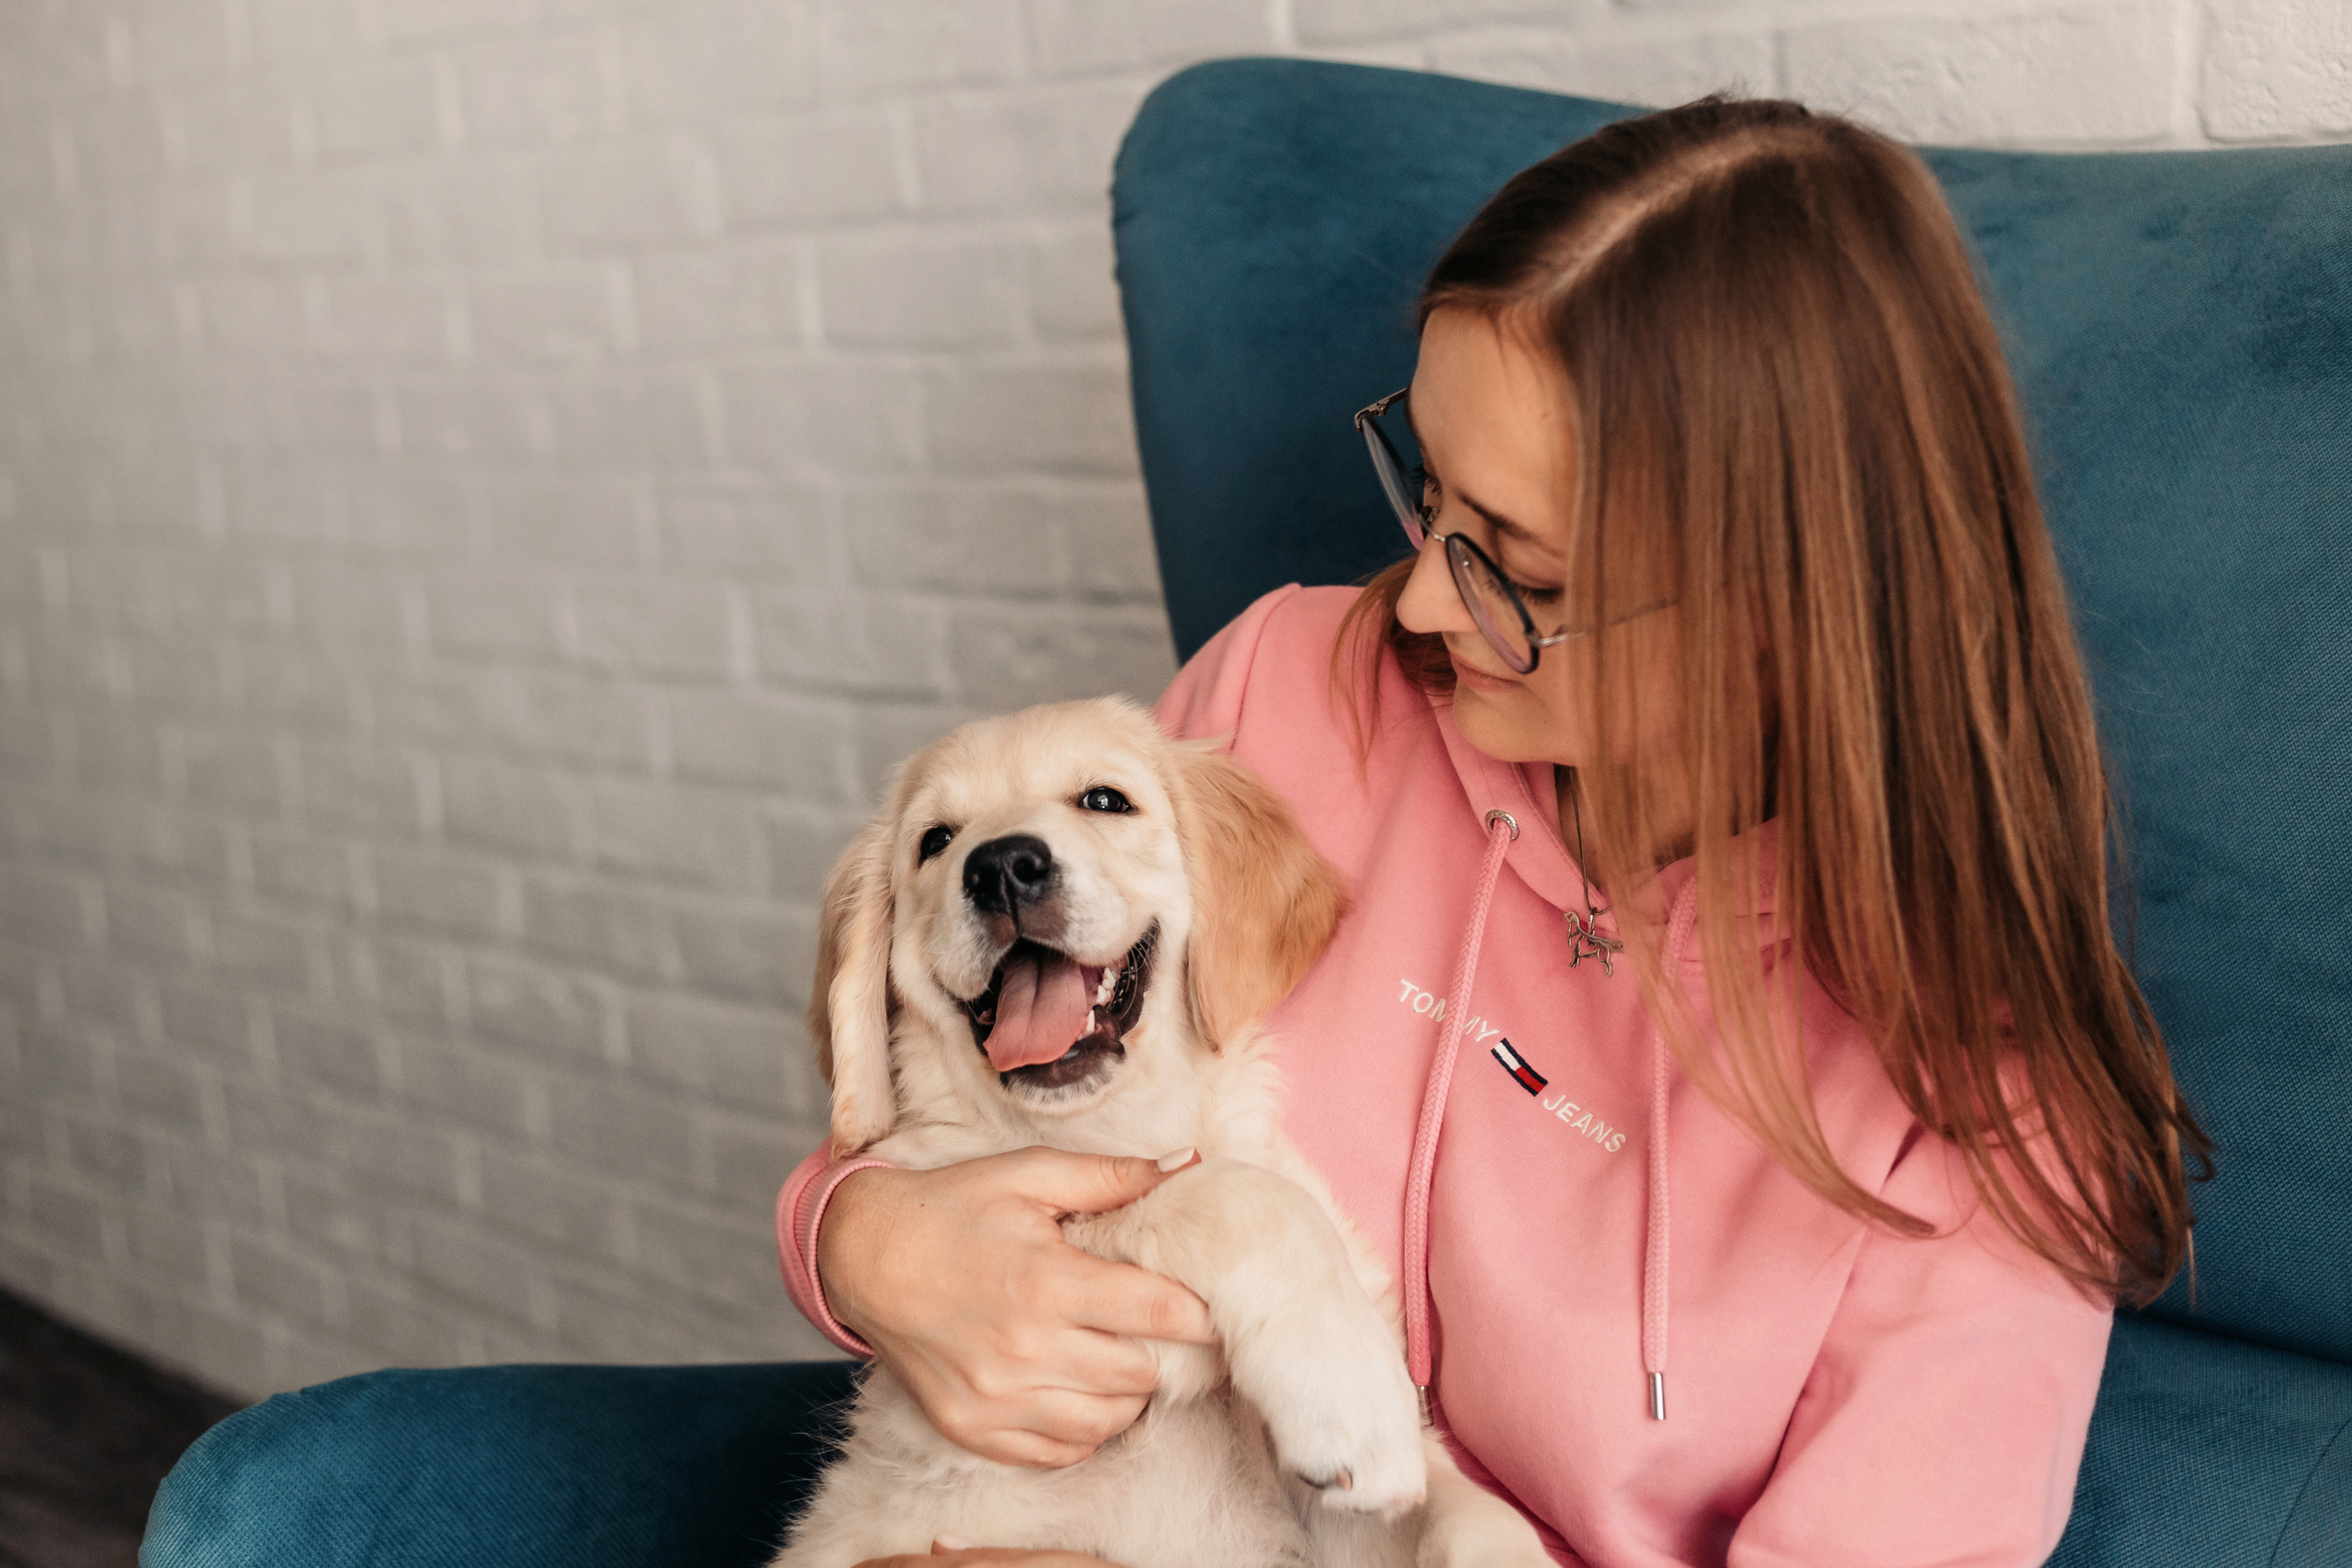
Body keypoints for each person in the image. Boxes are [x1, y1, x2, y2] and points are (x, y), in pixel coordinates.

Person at [775, 97, 2209, 1568]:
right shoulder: (1277, 694)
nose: (1420, 606)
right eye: (1425, 490)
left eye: (1514, 564)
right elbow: (968, 1083)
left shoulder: (1982, 1125)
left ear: (1778, 619)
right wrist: (861, 1247)